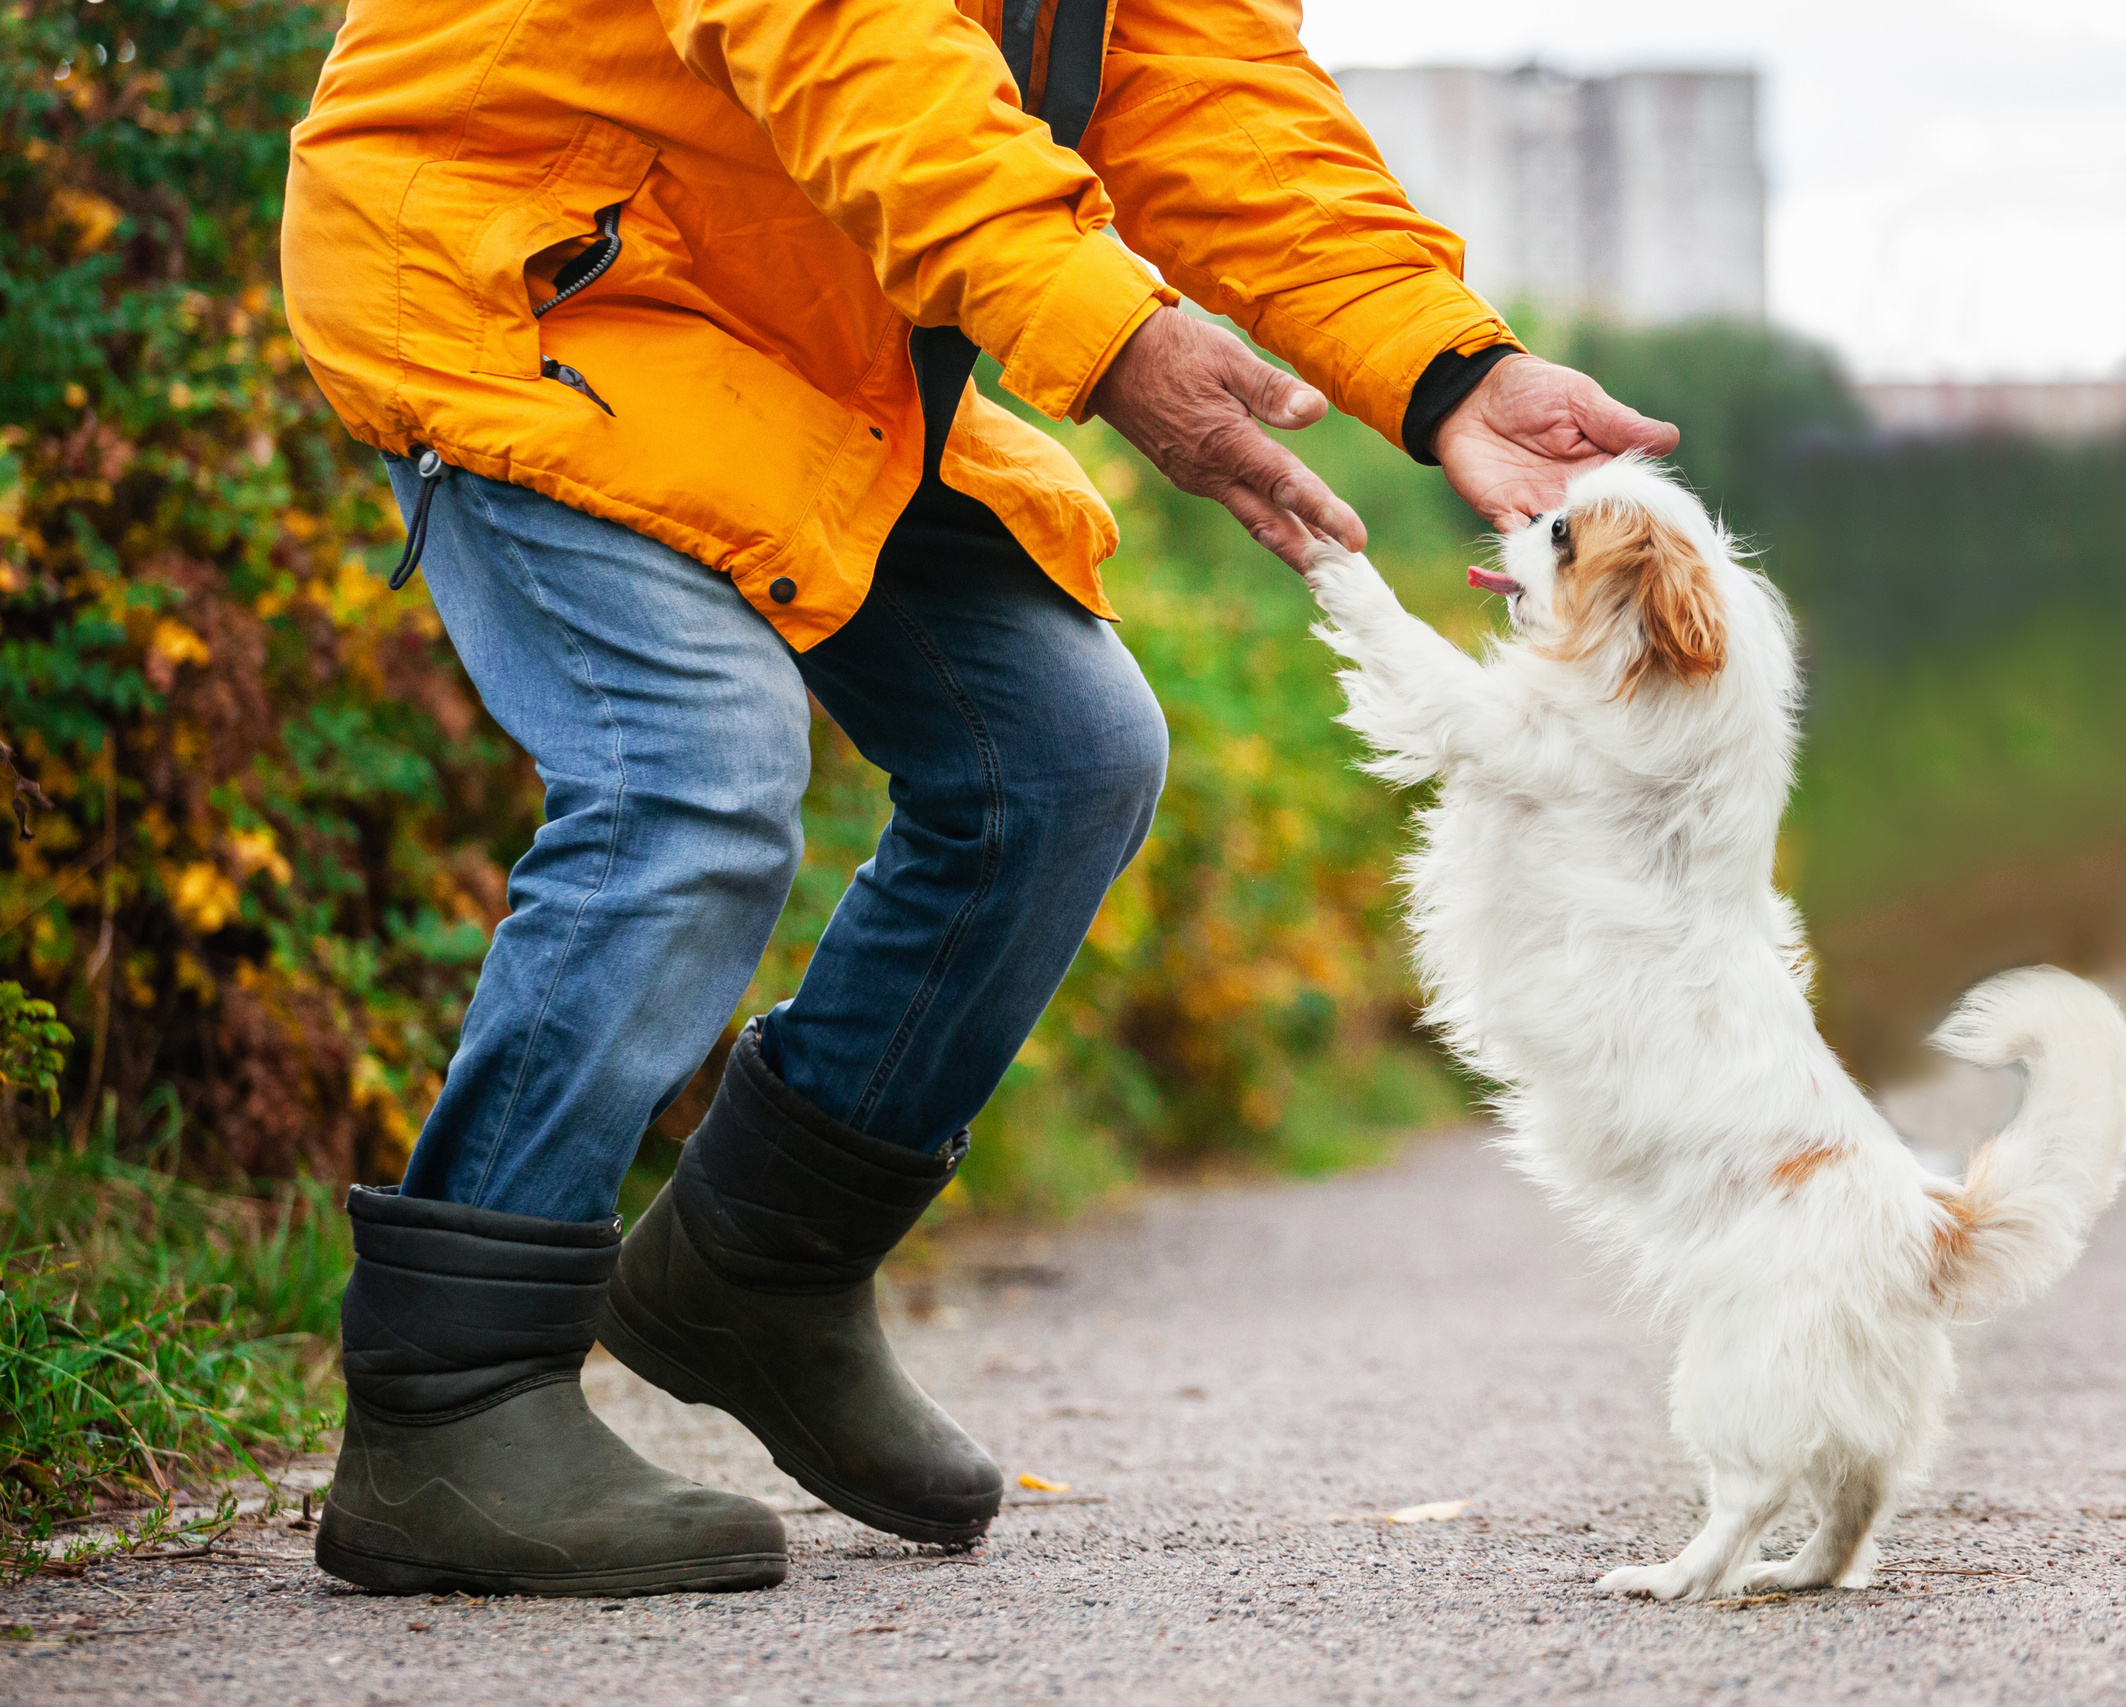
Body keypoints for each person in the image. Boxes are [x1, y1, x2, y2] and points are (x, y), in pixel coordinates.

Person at [280, 0, 1678, 1597]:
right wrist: (1116, 329)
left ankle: (761, 1273)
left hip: (800, 335)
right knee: (695, 781)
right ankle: (445, 1402)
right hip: (520, 280)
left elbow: (1204, 89)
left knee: (1066, 755)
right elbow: (849, 40)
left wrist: (1448, 367)